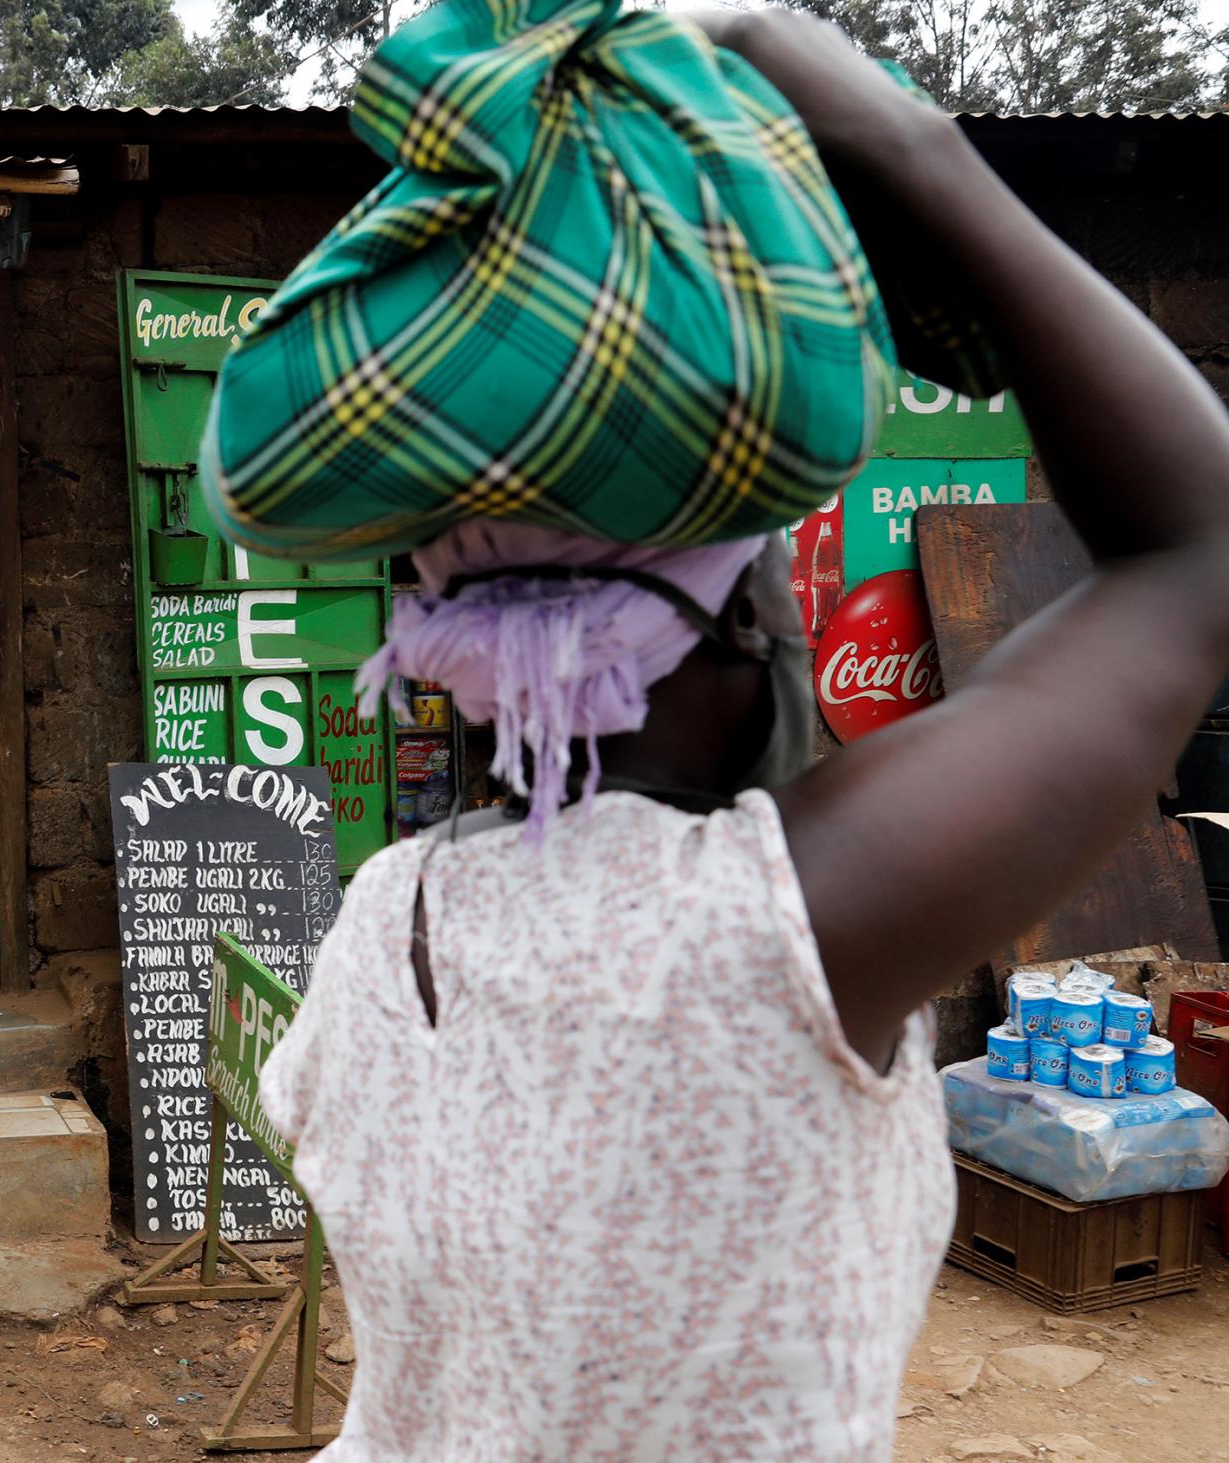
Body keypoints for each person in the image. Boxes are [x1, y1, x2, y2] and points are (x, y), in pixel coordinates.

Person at [246, 9, 1229, 1459]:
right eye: (773, 568)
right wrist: (902, 137)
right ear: (734, 632)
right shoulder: (773, 932)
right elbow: (1192, 547)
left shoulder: (381, 930)